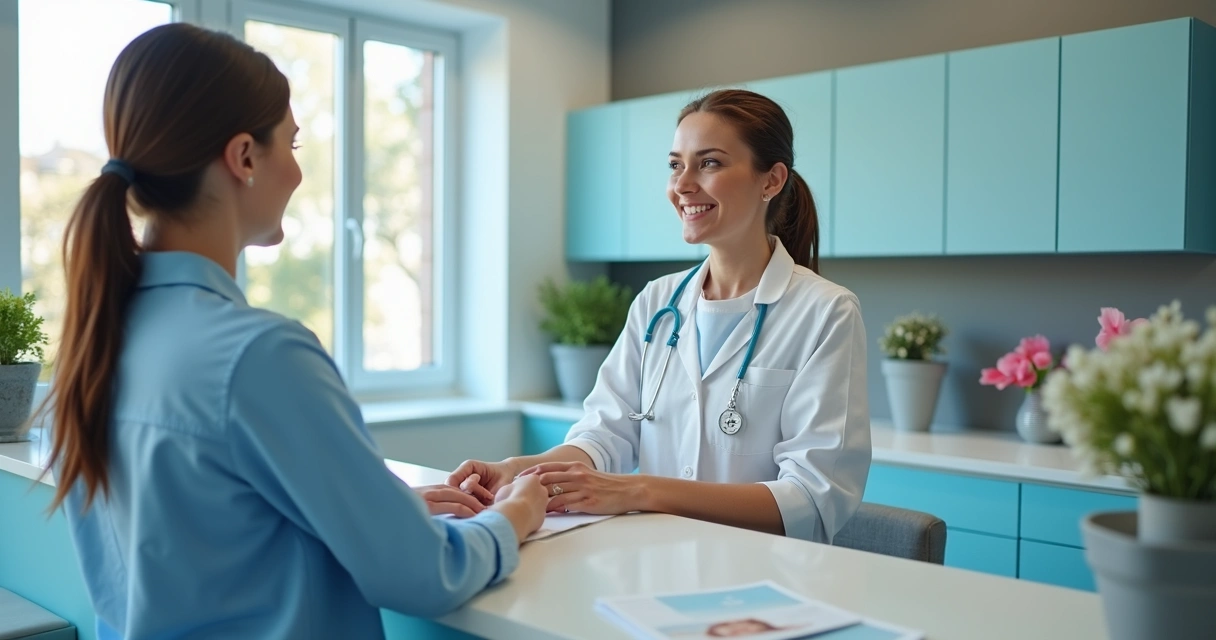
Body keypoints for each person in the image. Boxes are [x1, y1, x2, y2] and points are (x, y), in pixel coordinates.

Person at [39, 23, 547, 640]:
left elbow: (204, 543)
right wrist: (518, 514)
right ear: (245, 157)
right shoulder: (258, 354)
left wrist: (381, 515)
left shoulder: (98, 346)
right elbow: (422, 574)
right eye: (294, 146)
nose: (299, 174)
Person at [448, 89, 871, 543]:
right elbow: (604, 435)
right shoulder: (657, 302)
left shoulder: (826, 312)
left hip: (767, 579)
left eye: (709, 163)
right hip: (656, 563)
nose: (682, 184)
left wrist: (639, 490)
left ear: (770, 181)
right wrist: (521, 468)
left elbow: (811, 496)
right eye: (675, 164)